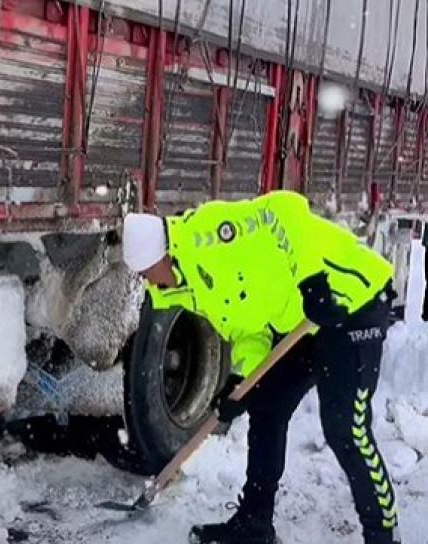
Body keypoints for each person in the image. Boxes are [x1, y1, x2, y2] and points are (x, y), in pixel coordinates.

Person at [121, 190, 400, 544]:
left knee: (345, 428)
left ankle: (383, 534)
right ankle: (255, 522)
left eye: (147, 271)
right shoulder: (185, 288)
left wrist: (313, 283)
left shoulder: (208, 233)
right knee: (267, 407)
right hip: (303, 322)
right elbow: (246, 329)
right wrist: (244, 382)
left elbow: (285, 209)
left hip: (351, 300)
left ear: (162, 254)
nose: (147, 281)